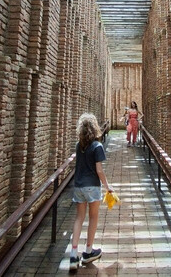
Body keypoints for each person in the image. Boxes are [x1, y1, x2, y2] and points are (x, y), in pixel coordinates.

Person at [69, 113, 114, 271]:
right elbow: (99, 170)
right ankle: (88, 251)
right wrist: (107, 186)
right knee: (93, 217)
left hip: (79, 186)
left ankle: (73, 254)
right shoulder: (97, 146)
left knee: (79, 218)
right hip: (92, 186)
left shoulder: (79, 146)